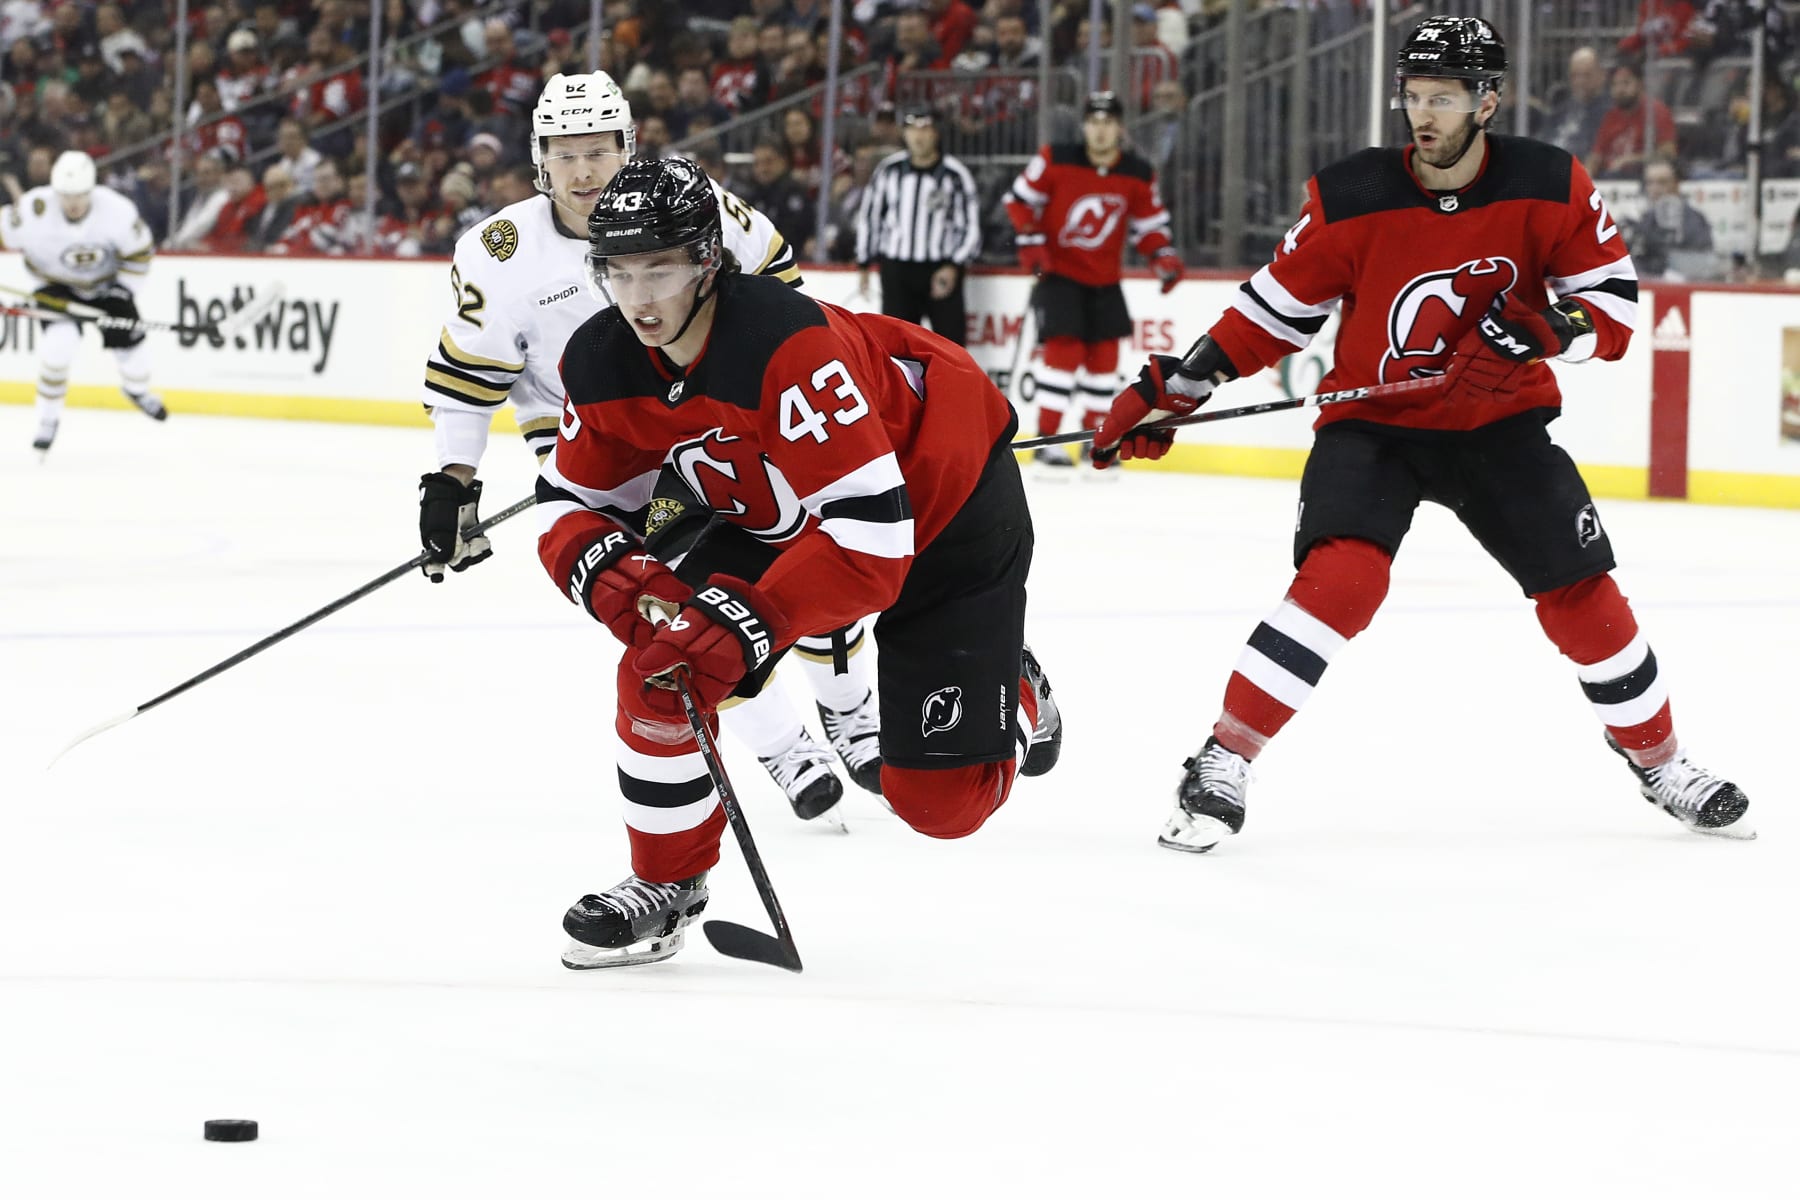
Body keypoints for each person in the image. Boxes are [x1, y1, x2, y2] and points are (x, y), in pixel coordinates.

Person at [1092, 15, 1752, 851]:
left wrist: (1554, 327)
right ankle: (1224, 758)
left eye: (1444, 97)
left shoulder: (1551, 183)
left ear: (1489, 100)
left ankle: (1661, 761)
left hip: (1501, 424)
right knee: (1343, 580)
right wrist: (1177, 386)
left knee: (1585, 596)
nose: (1424, 115)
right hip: (1375, 428)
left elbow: (1616, 303)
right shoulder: (1352, 192)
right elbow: (1269, 313)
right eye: (1413, 96)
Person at [540, 157, 1064, 967]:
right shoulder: (601, 360)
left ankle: (1013, 684)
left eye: (662, 269)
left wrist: (753, 618)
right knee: (664, 666)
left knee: (941, 806)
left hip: (937, 497)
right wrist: (617, 577)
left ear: (708, 262)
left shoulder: (786, 346)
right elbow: (571, 503)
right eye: (618, 272)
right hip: (776, 506)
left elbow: (872, 542)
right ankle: (668, 885)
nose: (639, 298)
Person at [415, 72, 883, 824]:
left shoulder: (693, 207)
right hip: (603, 460)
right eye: (564, 154)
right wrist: (450, 481)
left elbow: (786, 298)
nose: (583, 171)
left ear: (627, 147)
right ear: (539, 158)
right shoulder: (498, 253)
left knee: (805, 561)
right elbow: (469, 376)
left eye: (598, 150)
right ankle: (784, 747)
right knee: (683, 605)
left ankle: (852, 710)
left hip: (722, 430)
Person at [1005, 91, 1183, 470]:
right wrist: (1032, 241)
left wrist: (1161, 256)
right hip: (1060, 275)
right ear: (1084, 126)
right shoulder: (1055, 159)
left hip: (1105, 278)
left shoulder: (1137, 172)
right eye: (1094, 123)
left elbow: (1149, 225)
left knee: (1105, 360)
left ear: (1119, 128)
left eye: (1108, 123)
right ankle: (1049, 441)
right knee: (1063, 355)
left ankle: (1093, 440)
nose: (1100, 131)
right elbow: (1018, 201)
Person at [0, 149, 164, 455]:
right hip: (55, 286)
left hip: (108, 286)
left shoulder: (117, 210)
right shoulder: (33, 209)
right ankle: (47, 421)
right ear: (55, 190)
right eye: (65, 195)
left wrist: (124, 290)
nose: (73, 203)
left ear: (92, 189)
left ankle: (137, 390)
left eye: (80, 195)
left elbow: (140, 254)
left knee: (133, 349)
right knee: (58, 348)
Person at [854, 106, 982, 346]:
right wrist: (863, 263)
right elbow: (870, 217)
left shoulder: (955, 175)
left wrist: (954, 265)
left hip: (940, 268)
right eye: (912, 129)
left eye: (925, 129)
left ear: (936, 133)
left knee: (950, 347)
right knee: (894, 347)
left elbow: (971, 227)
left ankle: (947, 386)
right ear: (904, 133)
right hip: (897, 270)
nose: (918, 136)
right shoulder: (888, 171)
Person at [1622, 157, 1716, 279]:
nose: (1655, 189)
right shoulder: (1642, 220)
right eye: (1650, 183)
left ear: (1676, 184)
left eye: (1662, 182)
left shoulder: (1694, 220)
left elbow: (1701, 259)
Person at [1589, 60, 1677, 180]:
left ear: (1640, 84)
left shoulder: (1656, 111)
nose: (1620, 90)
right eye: (1615, 84)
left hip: (1642, 179)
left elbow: (1668, 154)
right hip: (1609, 180)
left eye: (1626, 83)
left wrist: (1632, 160)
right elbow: (1596, 155)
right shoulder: (1611, 116)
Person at [1537, 47, 1607, 161]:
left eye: (1586, 75)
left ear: (1601, 75)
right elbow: (1542, 139)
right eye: (1575, 75)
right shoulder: (1560, 110)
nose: (1580, 81)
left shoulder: (1608, 114)